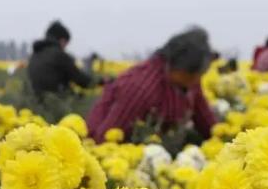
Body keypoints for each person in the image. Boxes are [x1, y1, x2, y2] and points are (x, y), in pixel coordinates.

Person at [86, 27, 216, 143]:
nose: (196, 80)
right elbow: (106, 137)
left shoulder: (187, 78)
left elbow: (204, 118)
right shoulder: (141, 87)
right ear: (173, 64)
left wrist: (223, 139)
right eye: (194, 75)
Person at [27, 20, 92, 97]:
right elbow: (81, 80)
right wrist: (100, 82)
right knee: (83, 98)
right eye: (65, 43)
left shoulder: (34, 54)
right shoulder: (59, 55)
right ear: (61, 40)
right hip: (55, 101)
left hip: (34, 100)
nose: (65, 47)